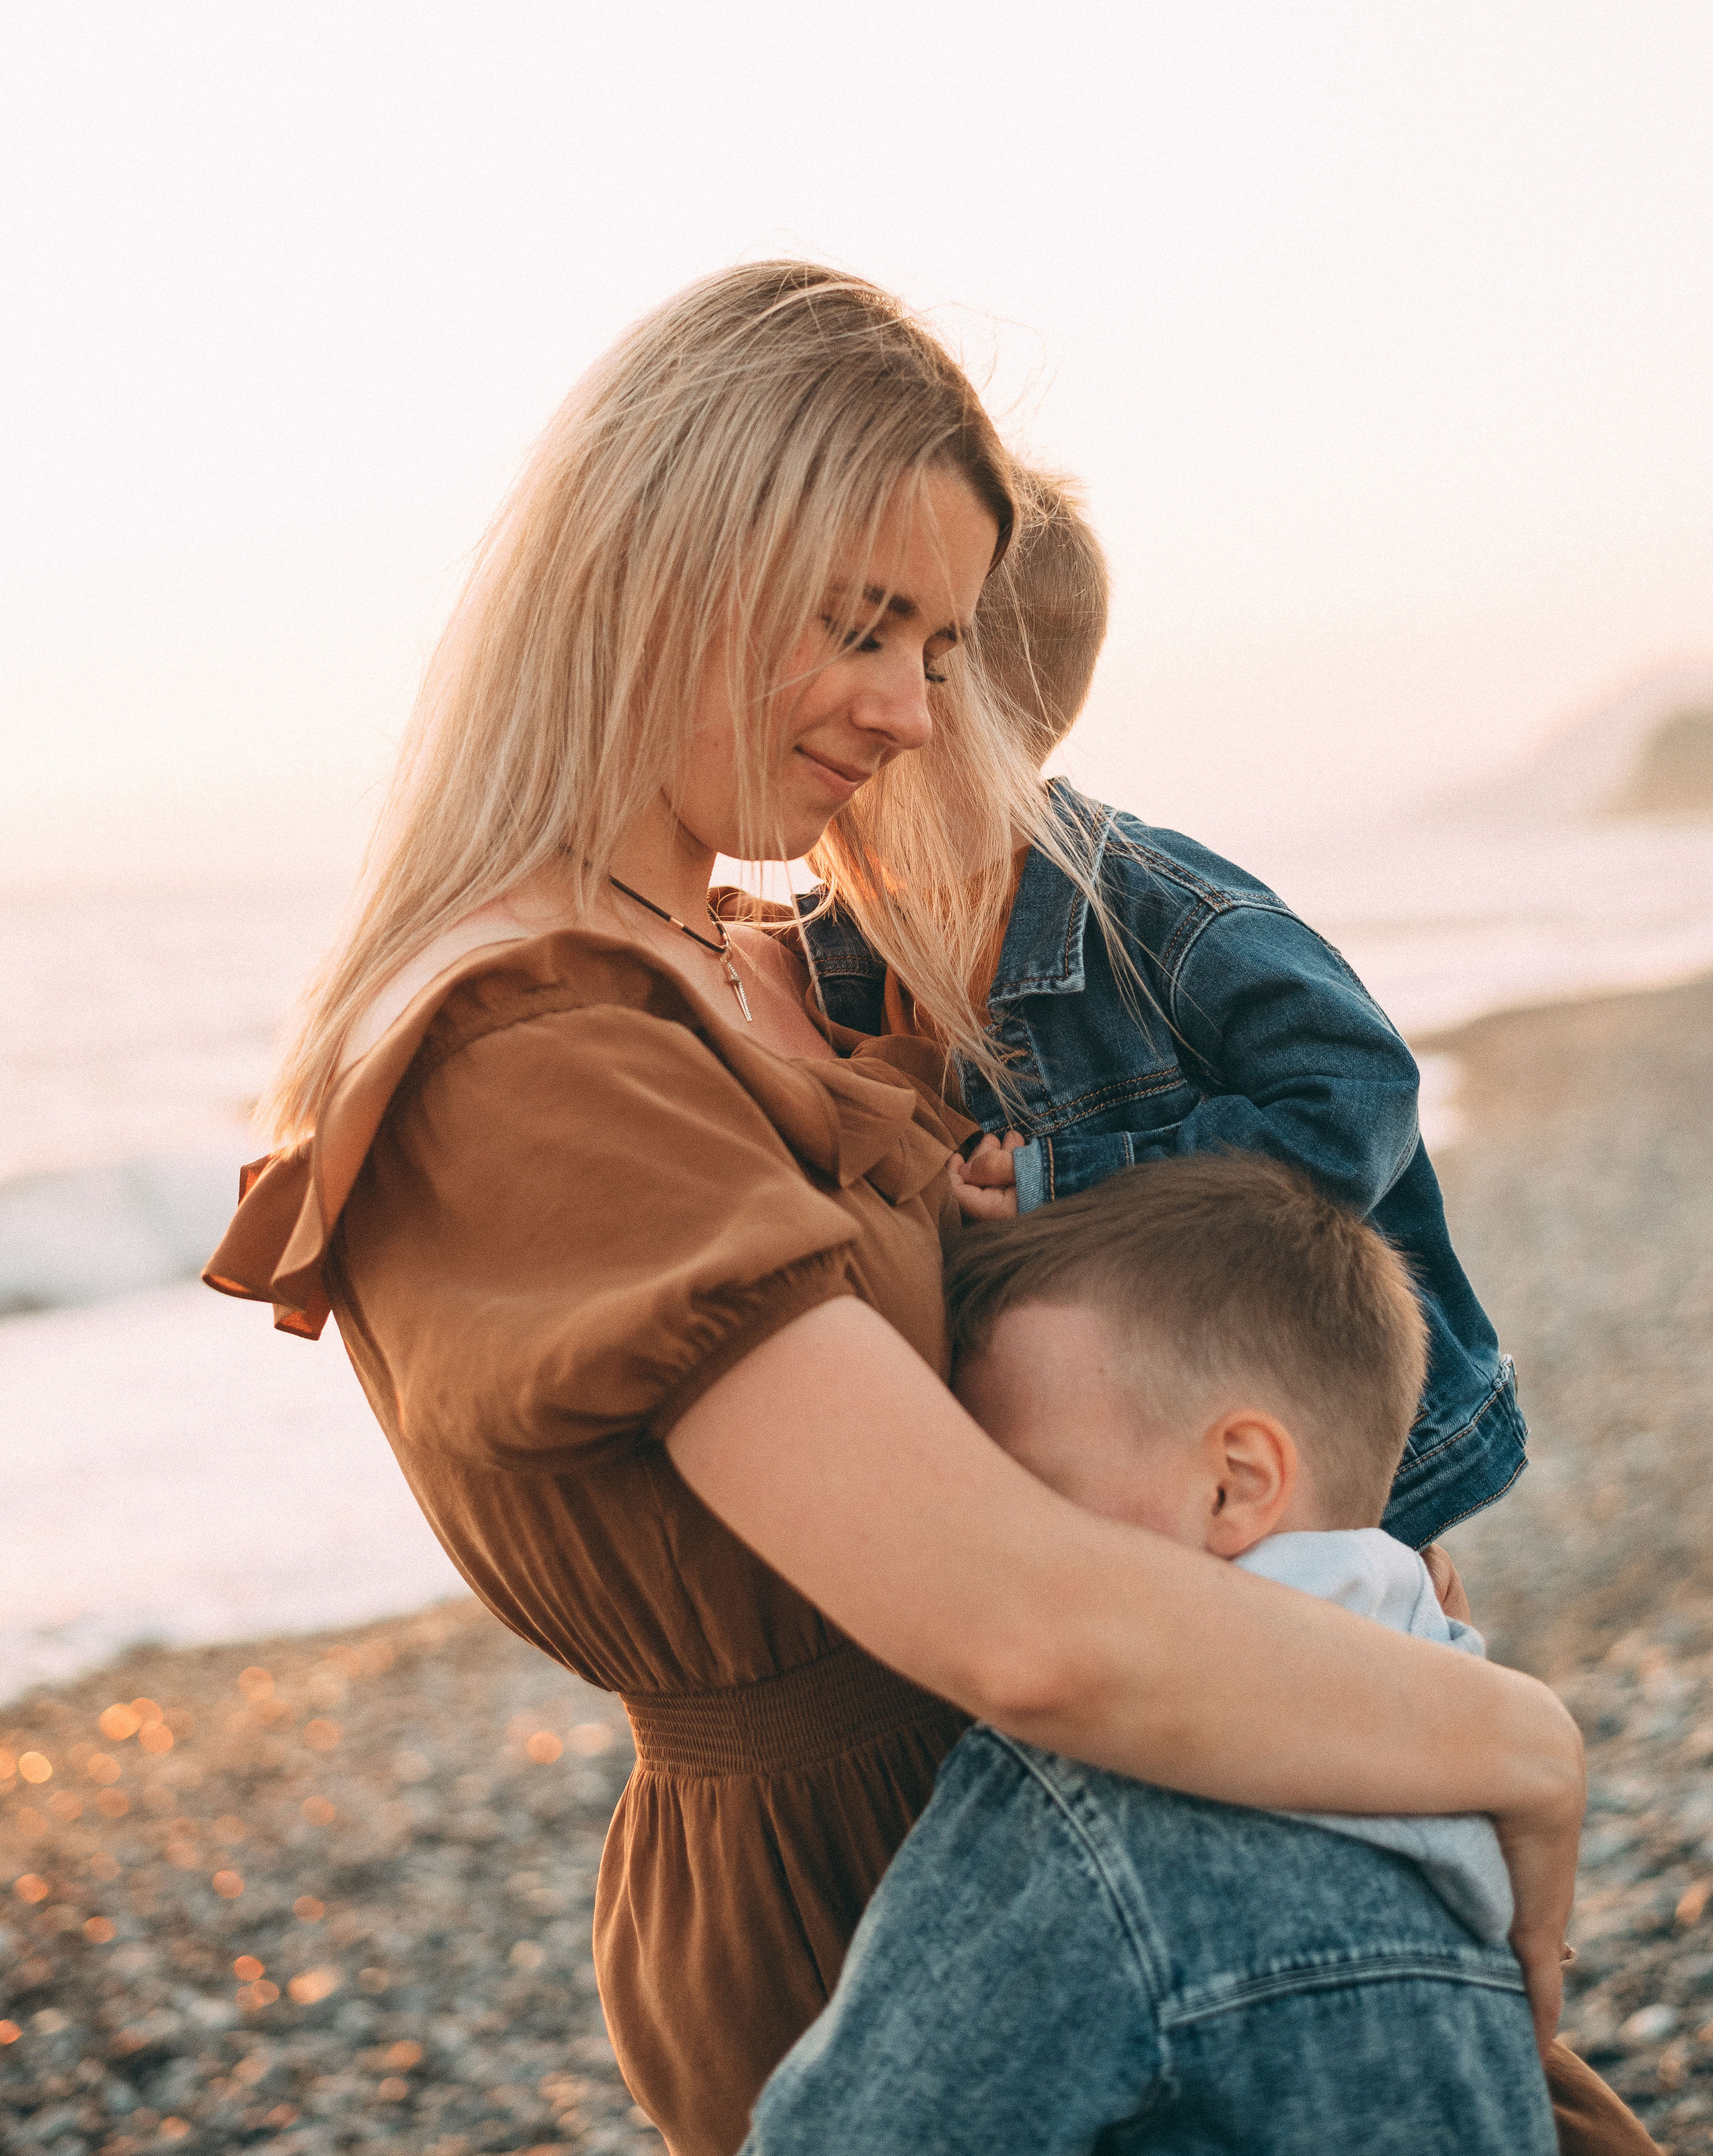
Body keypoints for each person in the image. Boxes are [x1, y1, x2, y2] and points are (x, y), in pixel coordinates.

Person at [203, 263, 1583, 2156]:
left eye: (938, 648)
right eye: (868, 630)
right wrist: (1511, 1740)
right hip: (873, 1888)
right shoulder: (537, 1043)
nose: (917, 715)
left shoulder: (768, 956)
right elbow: (1021, 1625)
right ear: (665, 563)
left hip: (1076, 1802)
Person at [744, 1153, 1559, 2155]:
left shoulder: (1090, 1796)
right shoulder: (1452, 1735)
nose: (994, 1540)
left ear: (1236, 1482)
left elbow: (848, 2136)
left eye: (1030, 1494)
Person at [803, 466, 1525, 1546]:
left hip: (1299, 1477)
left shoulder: (1152, 912)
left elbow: (1358, 1093)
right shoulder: (840, 943)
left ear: (947, 693)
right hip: (1111, 1484)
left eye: (867, 649)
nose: (840, 712)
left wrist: (1074, 1185)